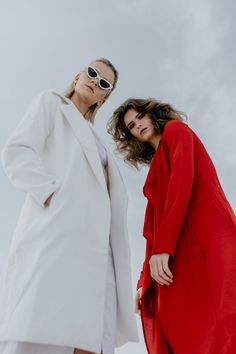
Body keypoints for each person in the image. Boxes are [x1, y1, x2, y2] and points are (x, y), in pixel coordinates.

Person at [0, 58, 138, 354]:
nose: (95, 81)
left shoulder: (96, 139)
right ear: (78, 76)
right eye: (92, 73)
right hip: (59, 231)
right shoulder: (52, 103)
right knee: (46, 323)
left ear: (104, 97)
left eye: (104, 83)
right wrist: (50, 193)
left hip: (98, 246)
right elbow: (18, 150)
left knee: (91, 333)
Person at [107, 98, 236, 354]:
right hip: (177, 248)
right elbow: (152, 228)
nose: (137, 125)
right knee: (185, 325)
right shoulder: (155, 166)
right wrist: (144, 280)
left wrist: (163, 247)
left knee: (225, 313)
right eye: (131, 126)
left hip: (207, 237)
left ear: (153, 113)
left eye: (140, 117)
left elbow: (182, 181)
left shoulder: (177, 131)